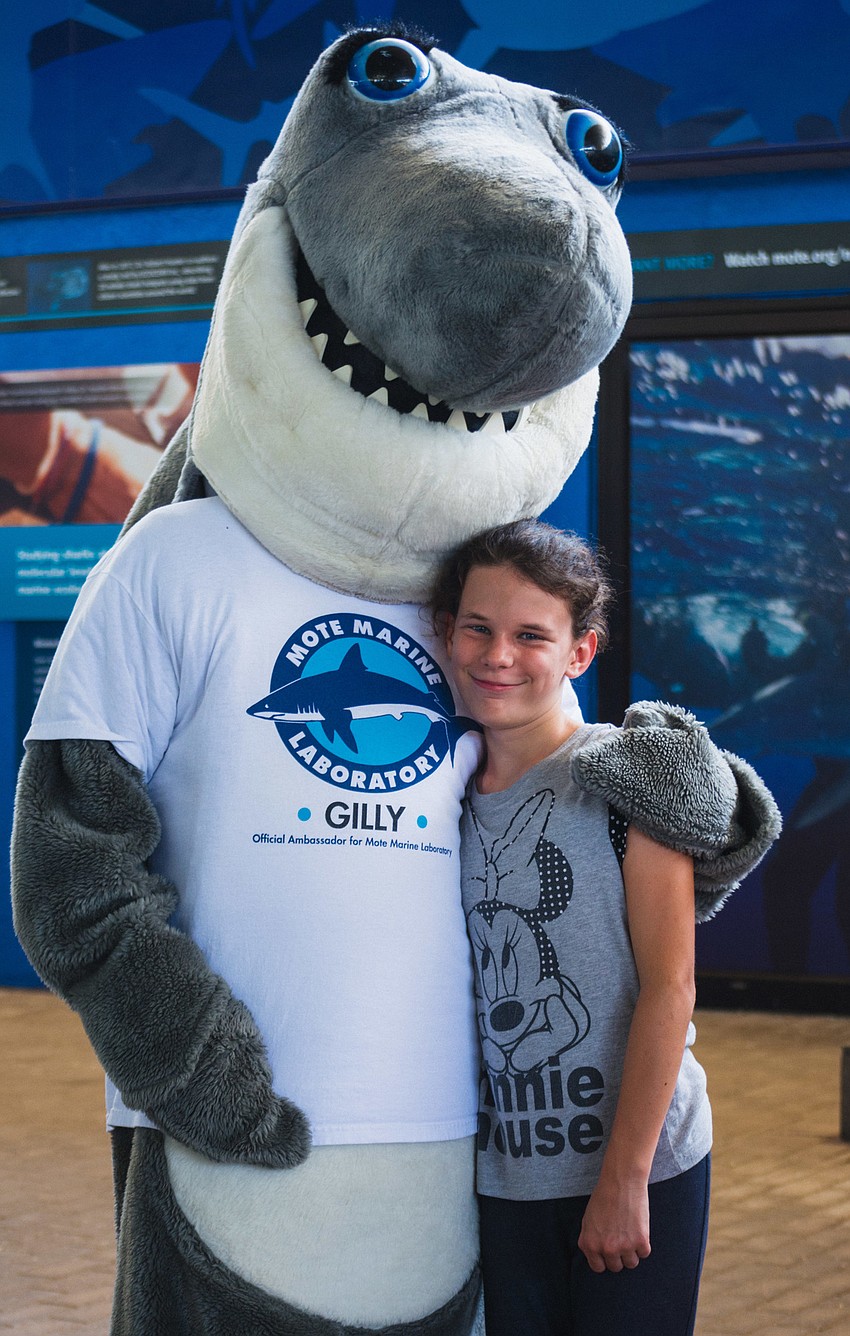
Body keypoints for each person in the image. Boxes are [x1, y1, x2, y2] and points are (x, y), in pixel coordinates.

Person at [429, 518, 712, 1336]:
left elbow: (672, 987)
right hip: (507, 1177)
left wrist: (623, 1180)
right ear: (445, 632)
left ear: (579, 653)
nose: (498, 656)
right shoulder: (434, 797)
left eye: (530, 636)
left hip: (639, 1167)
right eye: (477, 628)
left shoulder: (630, 776)